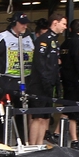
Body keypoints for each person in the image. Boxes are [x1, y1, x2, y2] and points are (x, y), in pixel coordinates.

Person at [25, 13, 66, 145]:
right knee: (37, 117)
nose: (65, 27)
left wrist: (56, 84)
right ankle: (33, 146)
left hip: (49, 85)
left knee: (45, 117)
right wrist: (45, 80)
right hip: (39, 85)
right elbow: (39, 62)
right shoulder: (43, 39)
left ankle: (39, 145)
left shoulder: (54, 40)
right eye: (63, 24)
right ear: (55, 23)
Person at [0, 11, 34, 112]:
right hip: (6, 80)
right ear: (14, 23)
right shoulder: (3, 37)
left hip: (24, 80)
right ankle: (0, 128)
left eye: (26, 24)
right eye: (22, 23)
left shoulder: (28, 38)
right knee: (2, 112)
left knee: (21, 112)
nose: (25, 26)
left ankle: (20, 128)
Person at [58, 17, 79, 147]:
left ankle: (57, 132)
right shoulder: (78, 44)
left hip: (66, 79)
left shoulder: (64, 44)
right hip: (76, 81)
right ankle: (74, 140)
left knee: (67, 109)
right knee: (74, 111)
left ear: (70, 29)